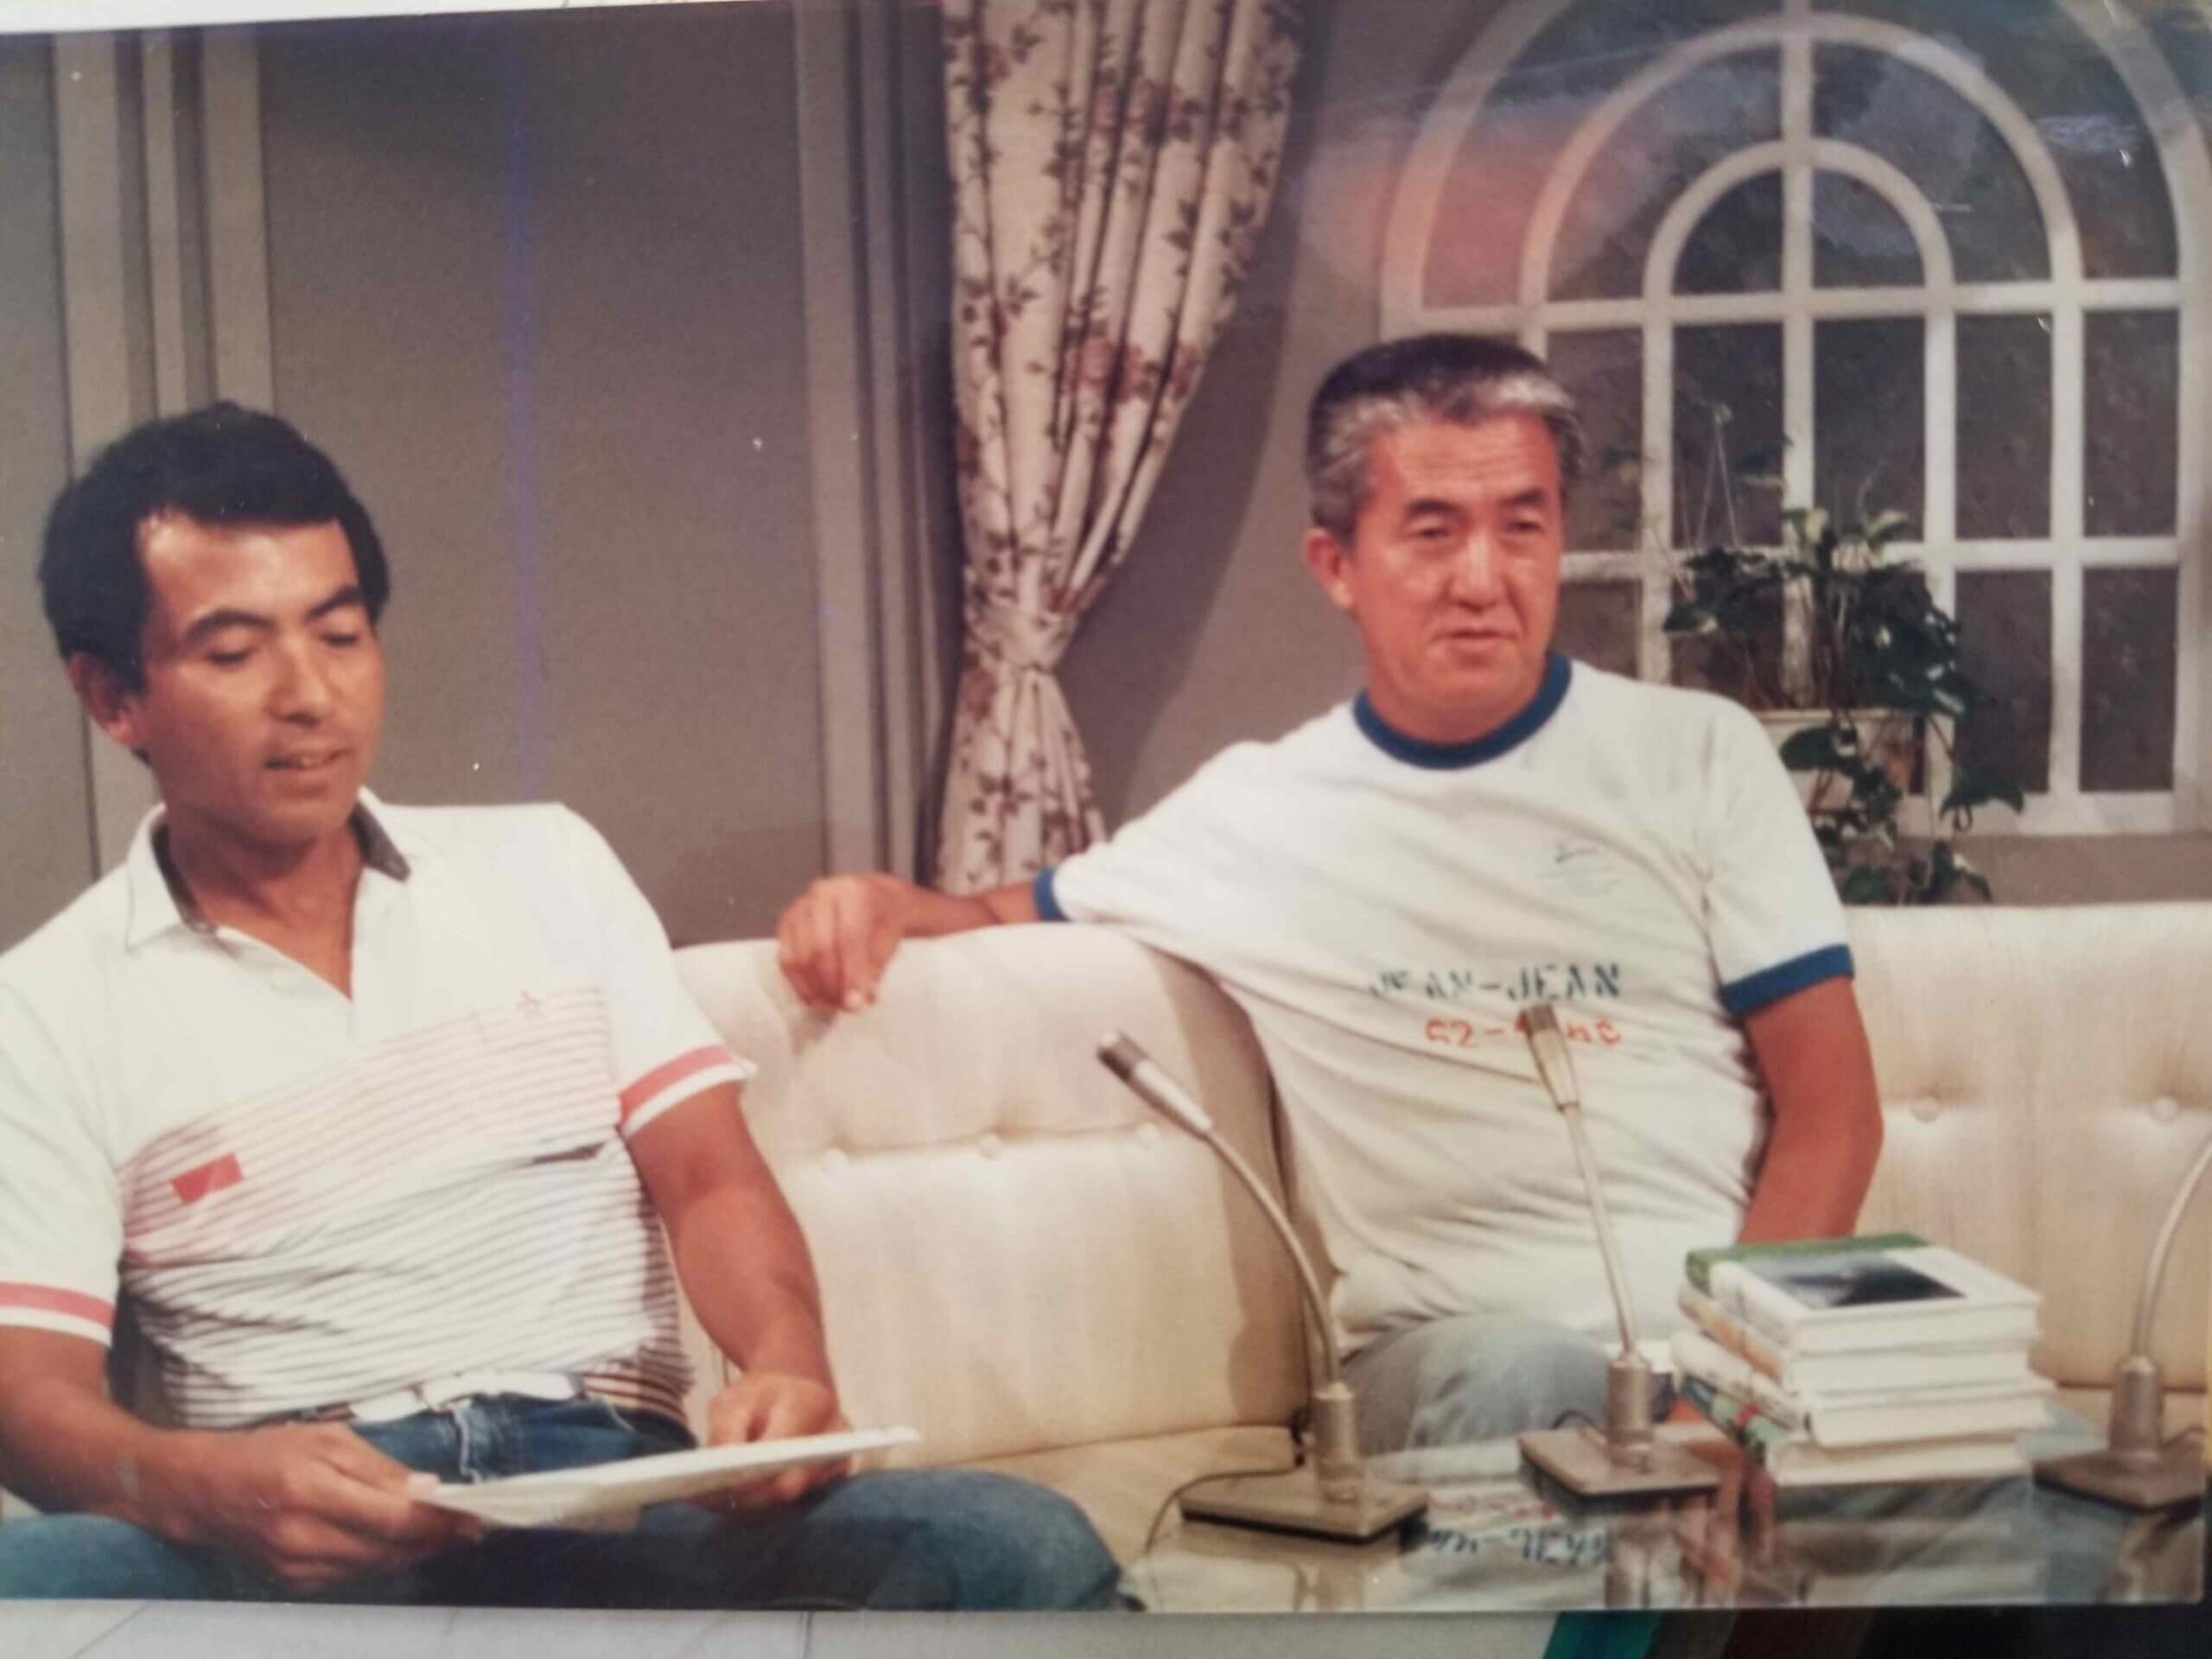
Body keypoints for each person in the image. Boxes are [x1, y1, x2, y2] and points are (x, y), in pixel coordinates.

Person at [0, 403, 1119, 1609]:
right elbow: (30, 1390)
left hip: (618, 1503)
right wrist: (200, 1486)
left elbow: (711, 1180)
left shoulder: (547, 865)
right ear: (113, 696)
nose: (310, 694)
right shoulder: (45, 1006)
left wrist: (788, 1362)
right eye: (234, 654)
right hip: (311, 1553)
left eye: (341, 634)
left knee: (1015, 1550)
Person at [776, 334, 1885, 1452]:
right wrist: (878, 902)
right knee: (1520, 1380)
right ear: (1336, 565)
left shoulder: (1699, 756)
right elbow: (988, 918)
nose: (1484, 581)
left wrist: (1724, 1393)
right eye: (1433, 533)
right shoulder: (1255, 815)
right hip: (1446, 1360)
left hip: (1722, 1360)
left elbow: (1834, 1112)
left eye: (1523, 527)